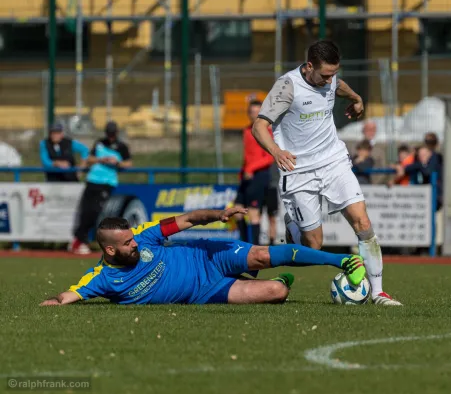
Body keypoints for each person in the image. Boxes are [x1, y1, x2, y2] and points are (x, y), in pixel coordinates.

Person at [251, 39, 401, 305]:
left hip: (333, 161)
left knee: (362, 222)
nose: (331, 79)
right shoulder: (287, 87)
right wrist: (276, 151)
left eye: (334, 73)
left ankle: (378, 292)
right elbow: (259, 126)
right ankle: (293, 228)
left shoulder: (330, 79)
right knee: (313, 246)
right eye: (326, 74)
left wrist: (356, 98)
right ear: (309, 67)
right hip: (298, 170)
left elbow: (339, 86)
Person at [39, 207, 366, 306]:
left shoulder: (145, 235)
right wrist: (48, 305)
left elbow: (187, 220)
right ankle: (280, 281)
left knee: (265, 255)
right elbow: (65, 297)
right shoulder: (102, 279)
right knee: (277, 292)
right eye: (127, 244)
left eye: (133, 239)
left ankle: (340, 260)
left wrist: (218, 214)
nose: (135, 244)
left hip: (208, 257)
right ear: (109, 250)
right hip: (205, 293)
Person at [70, 121, 132, 255]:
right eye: (109, 133)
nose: (110, 136)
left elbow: (128, 163)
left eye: (112, 133)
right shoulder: (99, 143)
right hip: (92, 180)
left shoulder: (121, 147)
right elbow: (90, 159)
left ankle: (81, 240)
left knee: (95, 211)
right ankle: (79, 240)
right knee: (85, 210)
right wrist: (101, 160)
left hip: (107, 182)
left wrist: (117, 162)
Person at [234, 100, 275, 245]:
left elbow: (269, 157)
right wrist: (243, 172)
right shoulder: (246, 131)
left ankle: (255, 248)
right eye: (252, 112)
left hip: (260, 176)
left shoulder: (267, 132)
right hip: (246, 176)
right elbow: (247, 156)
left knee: (254, 212)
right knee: (237, 211)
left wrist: (251, 169)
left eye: (257, 112)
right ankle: (243, 244)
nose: (254, 115)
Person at [265, 162, 280, 245]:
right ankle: (254, 241)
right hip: (260, 187)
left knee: (272, 218)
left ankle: (272, 242)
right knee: (255, 216)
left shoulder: (276, 157)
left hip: (272, 189)